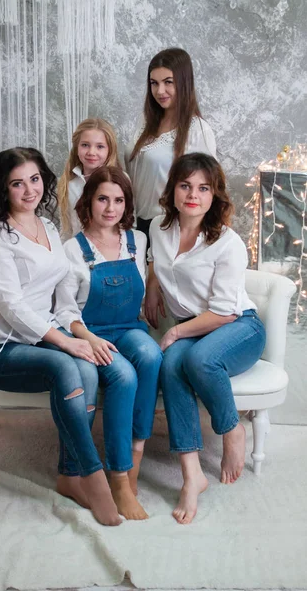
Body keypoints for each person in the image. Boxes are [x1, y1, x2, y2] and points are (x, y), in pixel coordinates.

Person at [0, 147, 121, 527]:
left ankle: (69, 475)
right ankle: (94, 477)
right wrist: (65, 341)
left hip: (40, 336)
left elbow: (59, 290)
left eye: (34, 179)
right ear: (2, 190)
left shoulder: (49, 228)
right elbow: (11, 306)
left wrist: (76, 330)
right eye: (16, 183)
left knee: (85, 370)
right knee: (64, 365)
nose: (28, 190)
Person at [145, 153, 266, 525]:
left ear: (215, 195)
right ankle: (191, 474)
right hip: (195, 327)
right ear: (173, 190)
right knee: (171, 364)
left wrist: (177, 330)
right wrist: (152, 286)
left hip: (238, 327)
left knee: (197, 360)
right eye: (185, 186)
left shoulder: (227, 243)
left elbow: (227, 311)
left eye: (203, 188)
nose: (192, 195)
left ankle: (232, 430)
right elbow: (156, 261)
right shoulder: (157, 229)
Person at [54, 165, 163, 521]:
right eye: (103, 198)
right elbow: (64, 309)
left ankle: (135, 456)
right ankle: (118, 477)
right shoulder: (73, 249)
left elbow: (146, 288)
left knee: (150, 355)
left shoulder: (137, 241)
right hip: (89, 331)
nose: (110, 207)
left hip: (128, 327)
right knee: (124, 376)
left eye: (118, 200)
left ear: (126, 204)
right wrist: (87, 337)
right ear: (89, 201)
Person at [125, 47, 217, 244]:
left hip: (171, 228)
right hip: (135, 225)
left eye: (168, 82)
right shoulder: (145, 123)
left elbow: (210, 188)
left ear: (184, 83)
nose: (160, 91)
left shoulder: (198, 130)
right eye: (154, 83)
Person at [58, 118, 121, 241]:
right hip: (78, 254)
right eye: (85, 145)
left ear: (110, 150)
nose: (91, 152)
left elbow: (128, 224)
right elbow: (66, 230)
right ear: (76, 147)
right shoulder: (68, 185)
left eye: (100, 146)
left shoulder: (120, 182)